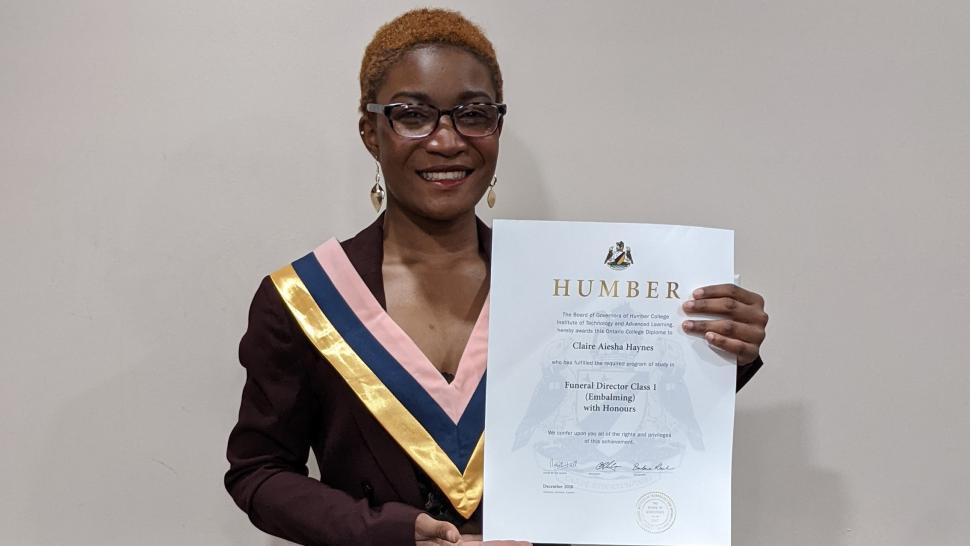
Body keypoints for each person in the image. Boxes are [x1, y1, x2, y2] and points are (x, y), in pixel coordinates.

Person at [224, 8, 768, 546]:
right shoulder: (303, 298)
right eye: (412, 115)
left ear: (498, 126)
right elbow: (260, 473)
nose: (446, 141)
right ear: (371, 131)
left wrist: (720, 350)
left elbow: (626, 407)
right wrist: (384, 531)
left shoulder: (567, 287)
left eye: (474, 114)